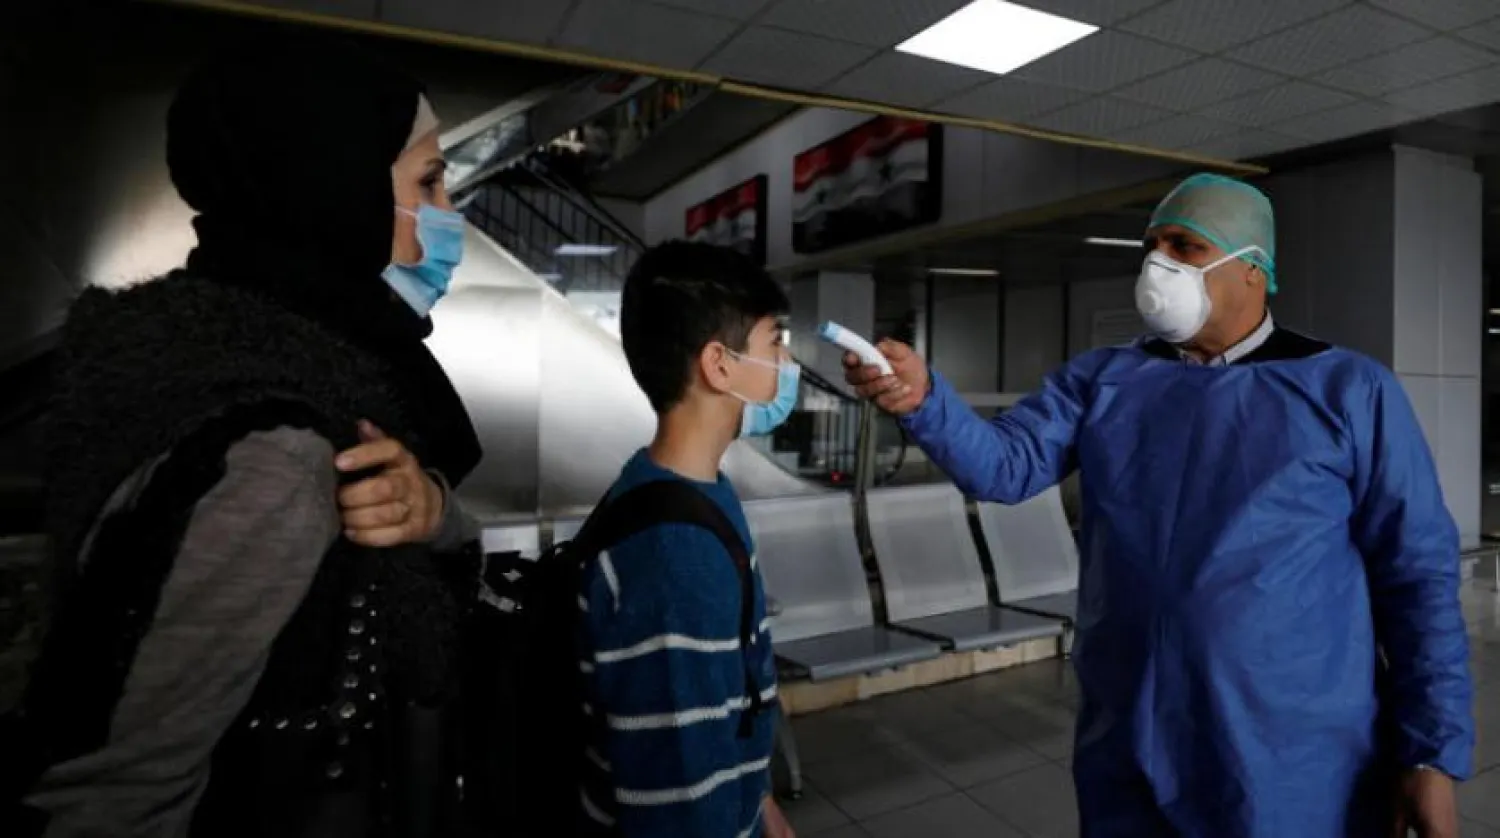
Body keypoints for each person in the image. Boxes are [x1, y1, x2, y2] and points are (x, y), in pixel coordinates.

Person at [845, 173, 1474, 838]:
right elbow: (1005, 465)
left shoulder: (1347, 390)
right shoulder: (1104, 380)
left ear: (1253, 268)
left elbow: (1416, 577)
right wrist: (924, 401)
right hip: (1130, 726)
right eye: (1151, 246)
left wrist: (1430, 752)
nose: (1158, 264)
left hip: (1294, 747)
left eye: (1185, 245)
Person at [6, 36, 484, 837]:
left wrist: (432, 510)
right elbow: (117, 798)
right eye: (428, 182)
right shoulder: (272, 455)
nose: (448, 217)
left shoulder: (214, 370)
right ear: (332, 192)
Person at [578, 241, 797, 838]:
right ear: (719, 364)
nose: (786, 362)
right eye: (774, 342)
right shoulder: (674, 555)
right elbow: (679, 794)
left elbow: (727, 705)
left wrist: (759, 800)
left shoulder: (686, 489)